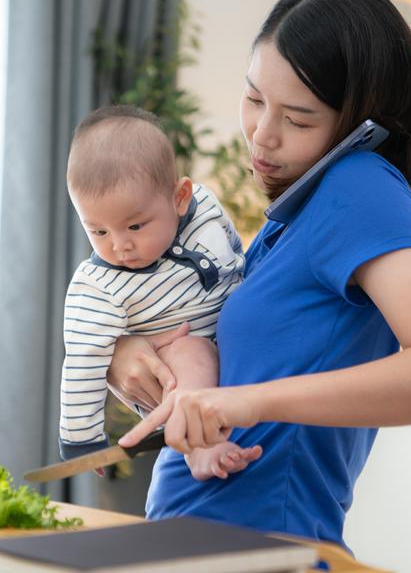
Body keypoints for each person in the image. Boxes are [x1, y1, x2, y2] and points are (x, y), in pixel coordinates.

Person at [112, 0, 411, 550]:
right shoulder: (292, 220)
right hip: (202, 548)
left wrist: (253, 400)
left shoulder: (358, 185)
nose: (262, 134)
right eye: (254, 98)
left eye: (298, 118)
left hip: (263, 552)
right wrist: (147, 370)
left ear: (359, 120)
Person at [59, 105, 262, 480]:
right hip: (173, 362)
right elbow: (83, 361)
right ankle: (200, 449)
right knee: (191, 351)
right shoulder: (97, 287)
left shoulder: (204, 210)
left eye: (135, 225)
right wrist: (82, 441)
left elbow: (234, 252)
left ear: (179, 197)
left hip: (237, 349)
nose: (120, 246)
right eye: (99, 231)